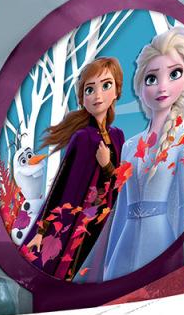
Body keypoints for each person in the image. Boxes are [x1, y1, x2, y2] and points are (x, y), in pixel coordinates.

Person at [97, 26, 184, 281]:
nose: (162, 86)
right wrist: (109, 259)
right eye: (152, 79)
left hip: (160, 239)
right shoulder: (130, 146)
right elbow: (122, 206)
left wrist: (182, 254)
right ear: (140, 87)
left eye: (174, 74)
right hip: (126, 240)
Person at [22, 57, 126, 281]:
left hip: (106, 221)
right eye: (90, 89)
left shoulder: (118, 135)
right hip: (80, 221)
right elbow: (61, 184)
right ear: (82, 98)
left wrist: (107, 165)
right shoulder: (82, 137)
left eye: (106, 85)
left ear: (117, 91)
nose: (97, 95)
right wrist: (41, 231)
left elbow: (119, 183)